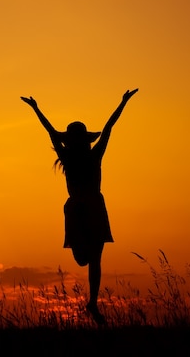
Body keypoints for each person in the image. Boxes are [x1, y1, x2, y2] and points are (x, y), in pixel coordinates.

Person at [21, 89, 138, 325]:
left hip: (92, 205)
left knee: (94, 259)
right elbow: (52, 131)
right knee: (84, 259)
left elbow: (107, 128)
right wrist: (36, 109)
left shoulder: (93, 155)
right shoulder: (72, 156)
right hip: (79, 208)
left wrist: (122, 102)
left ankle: (92, 303)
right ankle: (92, 302)